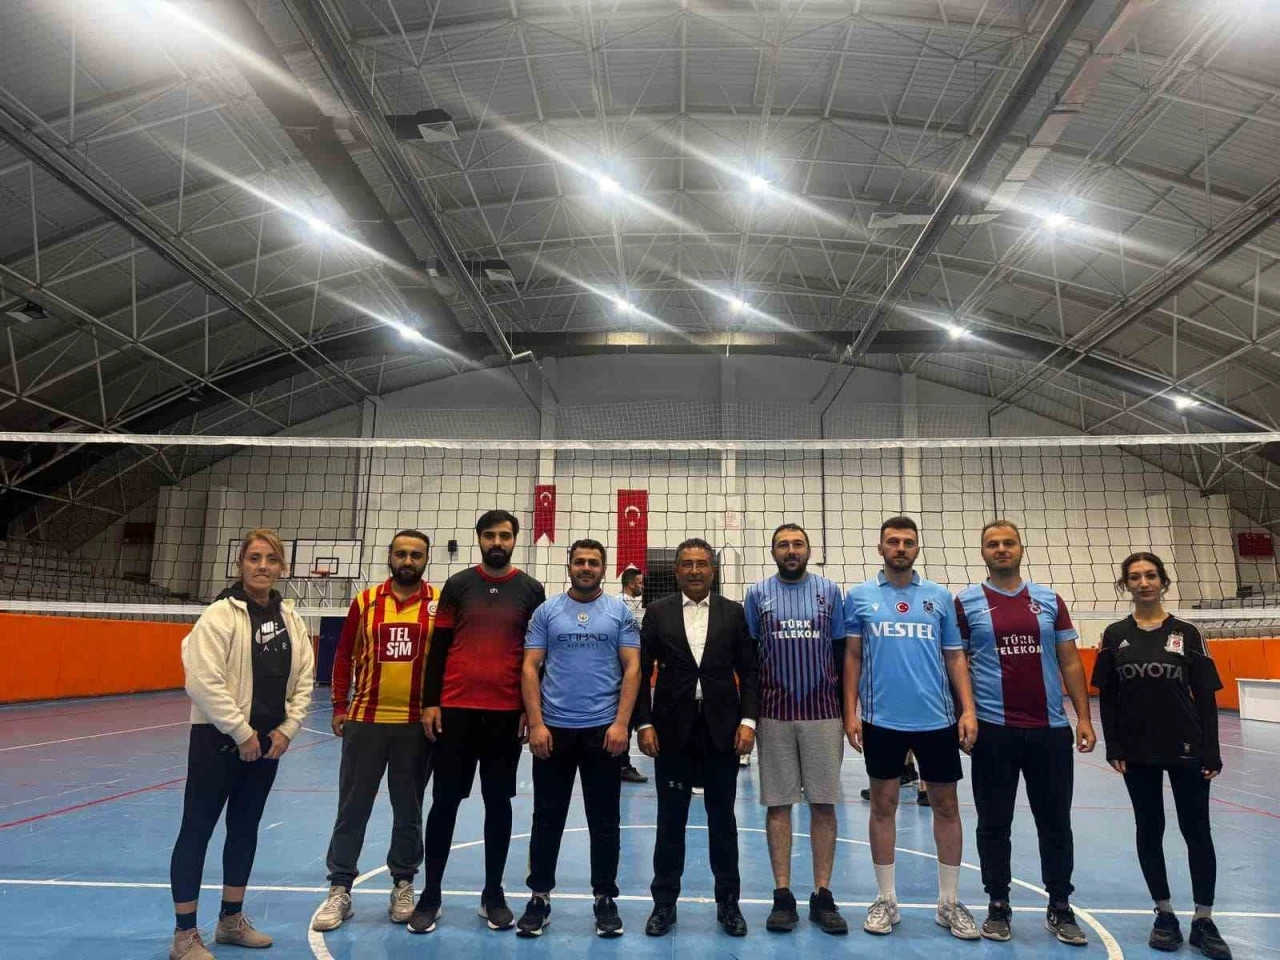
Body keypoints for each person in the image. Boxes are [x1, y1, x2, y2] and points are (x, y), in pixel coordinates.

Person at [167, 528, 314, 960]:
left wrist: (287, 729)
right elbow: (201, 681)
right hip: (217, 739)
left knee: (245, 829)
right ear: (241, 565)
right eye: (254, 558)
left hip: (267, 745)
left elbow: (305, 681)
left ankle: (230, 921)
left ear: (282, 567)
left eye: (271, 559)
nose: (263, 566)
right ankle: (184, 936)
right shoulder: (219, 615)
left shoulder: (292, 619)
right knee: (196, 829)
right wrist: (241, 732)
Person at [955, 520, 1095, 945]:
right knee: (993, 823)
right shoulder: (966, 602)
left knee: (1056, 823)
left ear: (1020, 548)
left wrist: (1084, 717)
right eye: (992, 544)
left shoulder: (1049, 600)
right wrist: (966, 713)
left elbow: (1069, 660)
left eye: (1008, 543)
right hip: (994, 730)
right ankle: (998, 904)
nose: (1001, 549)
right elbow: (956, 663)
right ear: (983, 553)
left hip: (1049, 730)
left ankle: (1060, 905)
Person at [409, 510, 546, 934]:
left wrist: (529, 709)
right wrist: (431, 702)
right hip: (455, 711)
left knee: (498, 803)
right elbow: (439, 646)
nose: (497, 542)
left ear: (515, 539)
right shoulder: (458, 585)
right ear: (479, 539)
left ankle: (493, 894)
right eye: (490, 535)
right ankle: (431, 894)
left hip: (505, 714)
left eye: (504, 535)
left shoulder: (531, 590)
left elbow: (537, 656)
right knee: (444, 803)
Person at [843, 515, 979, 940]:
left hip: (936, 719)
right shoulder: (859, 596)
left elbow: (955, 656)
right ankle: (886, 899)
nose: (900, 548)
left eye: (907, 542)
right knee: (882, 807)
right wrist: (850, 711)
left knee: (947, 807)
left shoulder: (939, 597)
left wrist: (968, 710)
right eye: (893, 541)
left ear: (917, 548)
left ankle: (949, 902)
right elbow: (852, 657)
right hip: (881, 719)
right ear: (880, 548)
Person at [1092, 553, 1232, 960]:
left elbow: (1206, 697)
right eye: (1135, 577)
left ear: (1163, 581)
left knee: (1197, 830)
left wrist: (1212, 750)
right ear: (1126, 585)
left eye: (1151, 575)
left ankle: (1204, 920)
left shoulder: (1187, 633)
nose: (1144, 583)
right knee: (1149, 829)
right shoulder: (1115, 634)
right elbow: (1108, 697)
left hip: (1187, 746)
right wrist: (1113, 745)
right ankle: (1165, 914)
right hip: (1137, 750)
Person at [516, 539, 642, 938]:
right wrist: (537, 724)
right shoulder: (547, 611)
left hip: (603, 732)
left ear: (604, 569)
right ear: (569, 566)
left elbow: (633, 668)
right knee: (546, 818)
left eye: (594, 562)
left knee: (605, 821)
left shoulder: (620, 612)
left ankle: (605, 898)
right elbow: (530, 667)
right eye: (580, 562)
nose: (586, 568)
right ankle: (539, 897)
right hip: (553, 731)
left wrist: (622, 724)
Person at [312, 531, 437, 932]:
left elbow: (447, 661)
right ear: (390, 557)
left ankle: (403, 883)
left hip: (415, 726)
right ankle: (340, 888)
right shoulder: (365, 601)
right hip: (365, 720)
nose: (408, 560)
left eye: (415, 555)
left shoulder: (438, 604)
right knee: (352, 807)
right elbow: (343, 654)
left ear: (426, 559)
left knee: (409, 810)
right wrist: (339, 704)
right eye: (401, 553)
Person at [634, 538, 759, 938]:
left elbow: (750, 672)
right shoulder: (657, 612)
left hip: (722, 730)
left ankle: (729, 904)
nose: (694, 570)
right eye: (686, 564)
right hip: (672, 731)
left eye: (701, 564)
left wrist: (749, 721)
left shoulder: (733, 612)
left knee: (723, 821)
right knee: (670, 821)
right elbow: (640, 673)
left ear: (712, 570)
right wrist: (644, 724)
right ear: (676, 571)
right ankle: (663, 904)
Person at [743, 523, 848, 935]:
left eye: (798, 544)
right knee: (778, 806)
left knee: (824, 805)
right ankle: (782, 895)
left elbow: (841, 652)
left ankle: (823, 894)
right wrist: (749, 715)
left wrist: (848, 711)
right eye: (783, 545)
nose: (791, 550)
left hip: (823, 712)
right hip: (774, 713)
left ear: (808, 550)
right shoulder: (757, 594)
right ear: (773, 552)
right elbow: (750, 658)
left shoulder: (830, 591)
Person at [618, 566, 649, 784]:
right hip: (624, 669)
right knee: (625, 718)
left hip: (627, 667)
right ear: (631, 584)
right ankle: (621, 765)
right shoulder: (624, 606)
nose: (642, 587)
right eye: (640, 583)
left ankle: (621, 762)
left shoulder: (631, 605)